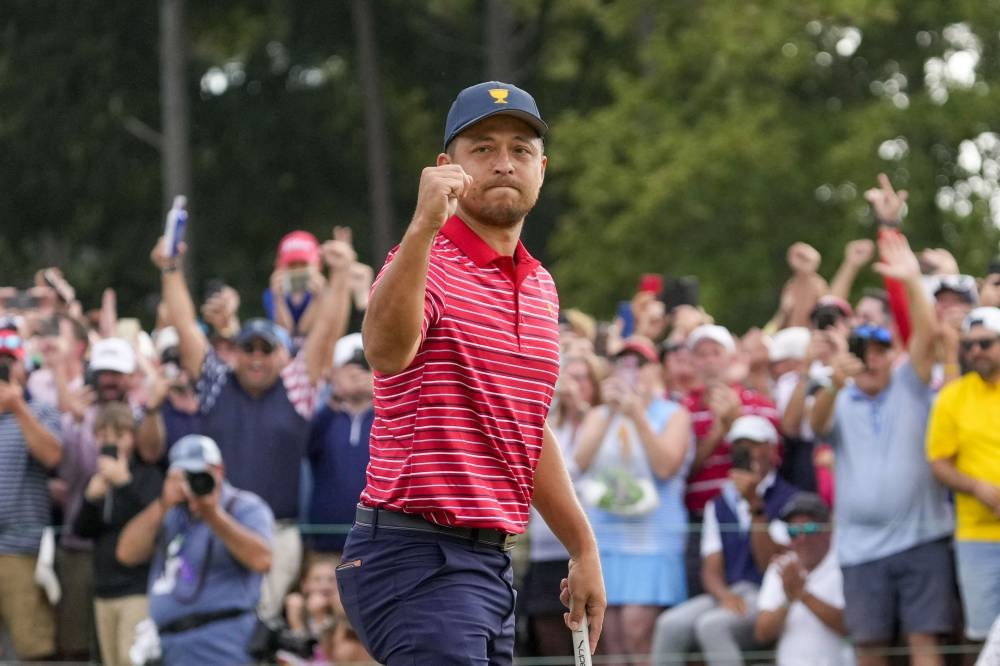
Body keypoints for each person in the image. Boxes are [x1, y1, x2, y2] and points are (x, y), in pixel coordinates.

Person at [337, 80, 606, 665]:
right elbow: (384, 352)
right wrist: (420, 228)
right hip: (414, 552)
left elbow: (525, 430)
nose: (503, 163)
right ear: (446, 167)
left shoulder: (539, 286)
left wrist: (583, 548)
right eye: (482, 148)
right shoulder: (424, 258)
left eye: (520, 150)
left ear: (541, 168)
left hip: (487, 564)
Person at [150, 227, 355, 619]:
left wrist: (340, 276)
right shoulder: (217, 383)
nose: (257, 357)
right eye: (248, 348)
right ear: (234, 354)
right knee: (220, 621)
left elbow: (326, 333)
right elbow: (185, 326)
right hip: (215, 522)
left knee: (261, 626)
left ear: (281, 356)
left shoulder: (294, 386)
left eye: (266, 349)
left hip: (277, 532)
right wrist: (171, 268)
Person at [811, 232, 957, 666]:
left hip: (922, 539)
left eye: (880, 350)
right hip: (860, 547)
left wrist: (912, 280)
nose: (871, 359)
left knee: (924, 642)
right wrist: (834, 383)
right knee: (869, 648)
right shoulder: (840, 394)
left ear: (892, 354)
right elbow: (815, 426)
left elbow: (928, 336)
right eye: (862, 350)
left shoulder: (910, 385)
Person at [574, 339, 691, 666]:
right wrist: (610, 413)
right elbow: (580, 462)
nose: (632, 371)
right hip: (607, 538)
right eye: (624, 363)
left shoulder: (673, 414)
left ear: (655, 370)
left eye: (640, 364)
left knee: (637, 630)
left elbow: (666, 466)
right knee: (610, 640)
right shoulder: (600, 414)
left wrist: (637, 415)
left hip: (652, 541)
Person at [651, 415, 797, 666]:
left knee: (712, 626)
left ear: (771, 449)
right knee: (669, 624)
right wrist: (724, 595)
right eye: (739, 445)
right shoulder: (718, 504)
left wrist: (754, 505)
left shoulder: (791, 500)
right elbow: (711, 567)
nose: (744, 451)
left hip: (769, 593)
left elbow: (768, 564)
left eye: (752, 444)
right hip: (732, 591)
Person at [116, 434, 274, 666]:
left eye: (198, 473)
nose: (191, 483)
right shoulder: (171, 513)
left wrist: (212, 515)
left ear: (219, 470)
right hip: (170, 647)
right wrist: (162, 503)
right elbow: (126, 554)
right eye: (183, 475)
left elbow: (262, 560)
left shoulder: (243, 506)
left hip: (223, 645)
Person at [926, 306, 1000, 649]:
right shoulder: (953, 396)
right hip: (977, 534)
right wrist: (976, 487)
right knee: (982, 639)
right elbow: (938, 462)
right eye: (968, 345)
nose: (975, 352)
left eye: (985, 343)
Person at [74, 402, 163, 666]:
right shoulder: (99, 478)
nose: (109, 442)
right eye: (102, 436)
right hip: (104, 587)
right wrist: (90, 499)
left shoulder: (147, 475)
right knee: (110, 659)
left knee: (130, 658)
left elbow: (151, 524)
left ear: (133, 437)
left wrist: (124, 483)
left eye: (118, 436)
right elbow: (82, 531)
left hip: (136, 587)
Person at [0, 327, 63, 661]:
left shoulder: (39, 411)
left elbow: (54, 456)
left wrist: (16, 407)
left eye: (8, 363)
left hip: (19, 551)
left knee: (31, 650)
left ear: (22, 369)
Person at [755, 493, 852, 666]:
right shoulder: (781, 567)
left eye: (809, 529)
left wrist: (804, 595)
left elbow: (852, 628)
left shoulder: (847, 563)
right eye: (793, 531)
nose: (801, 538)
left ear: (828, 529)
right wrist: (787, 600)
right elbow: (762, 633)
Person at [305, 334, 374, 557]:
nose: (359, 374)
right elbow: (303, 446)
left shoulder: (389, 418)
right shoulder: (325, 417)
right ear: (335, 373)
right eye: (350, 368)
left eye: (366, 366)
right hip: (325, 540)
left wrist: (383, 393)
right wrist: (335, 396)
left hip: (376, 541)